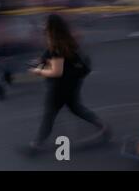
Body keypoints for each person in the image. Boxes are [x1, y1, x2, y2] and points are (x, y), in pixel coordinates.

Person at [29, 14, 109, 150]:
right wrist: (40, 61)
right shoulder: (66, 40)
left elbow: (56, 71)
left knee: (50, 113)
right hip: (73, 83)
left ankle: (37, 143)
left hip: (60, 86)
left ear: (51, 28)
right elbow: (54, 57)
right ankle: (103, 126)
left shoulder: (56, 46)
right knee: (76, 108)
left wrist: (39, 72)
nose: (43, 26)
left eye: (45, 24)